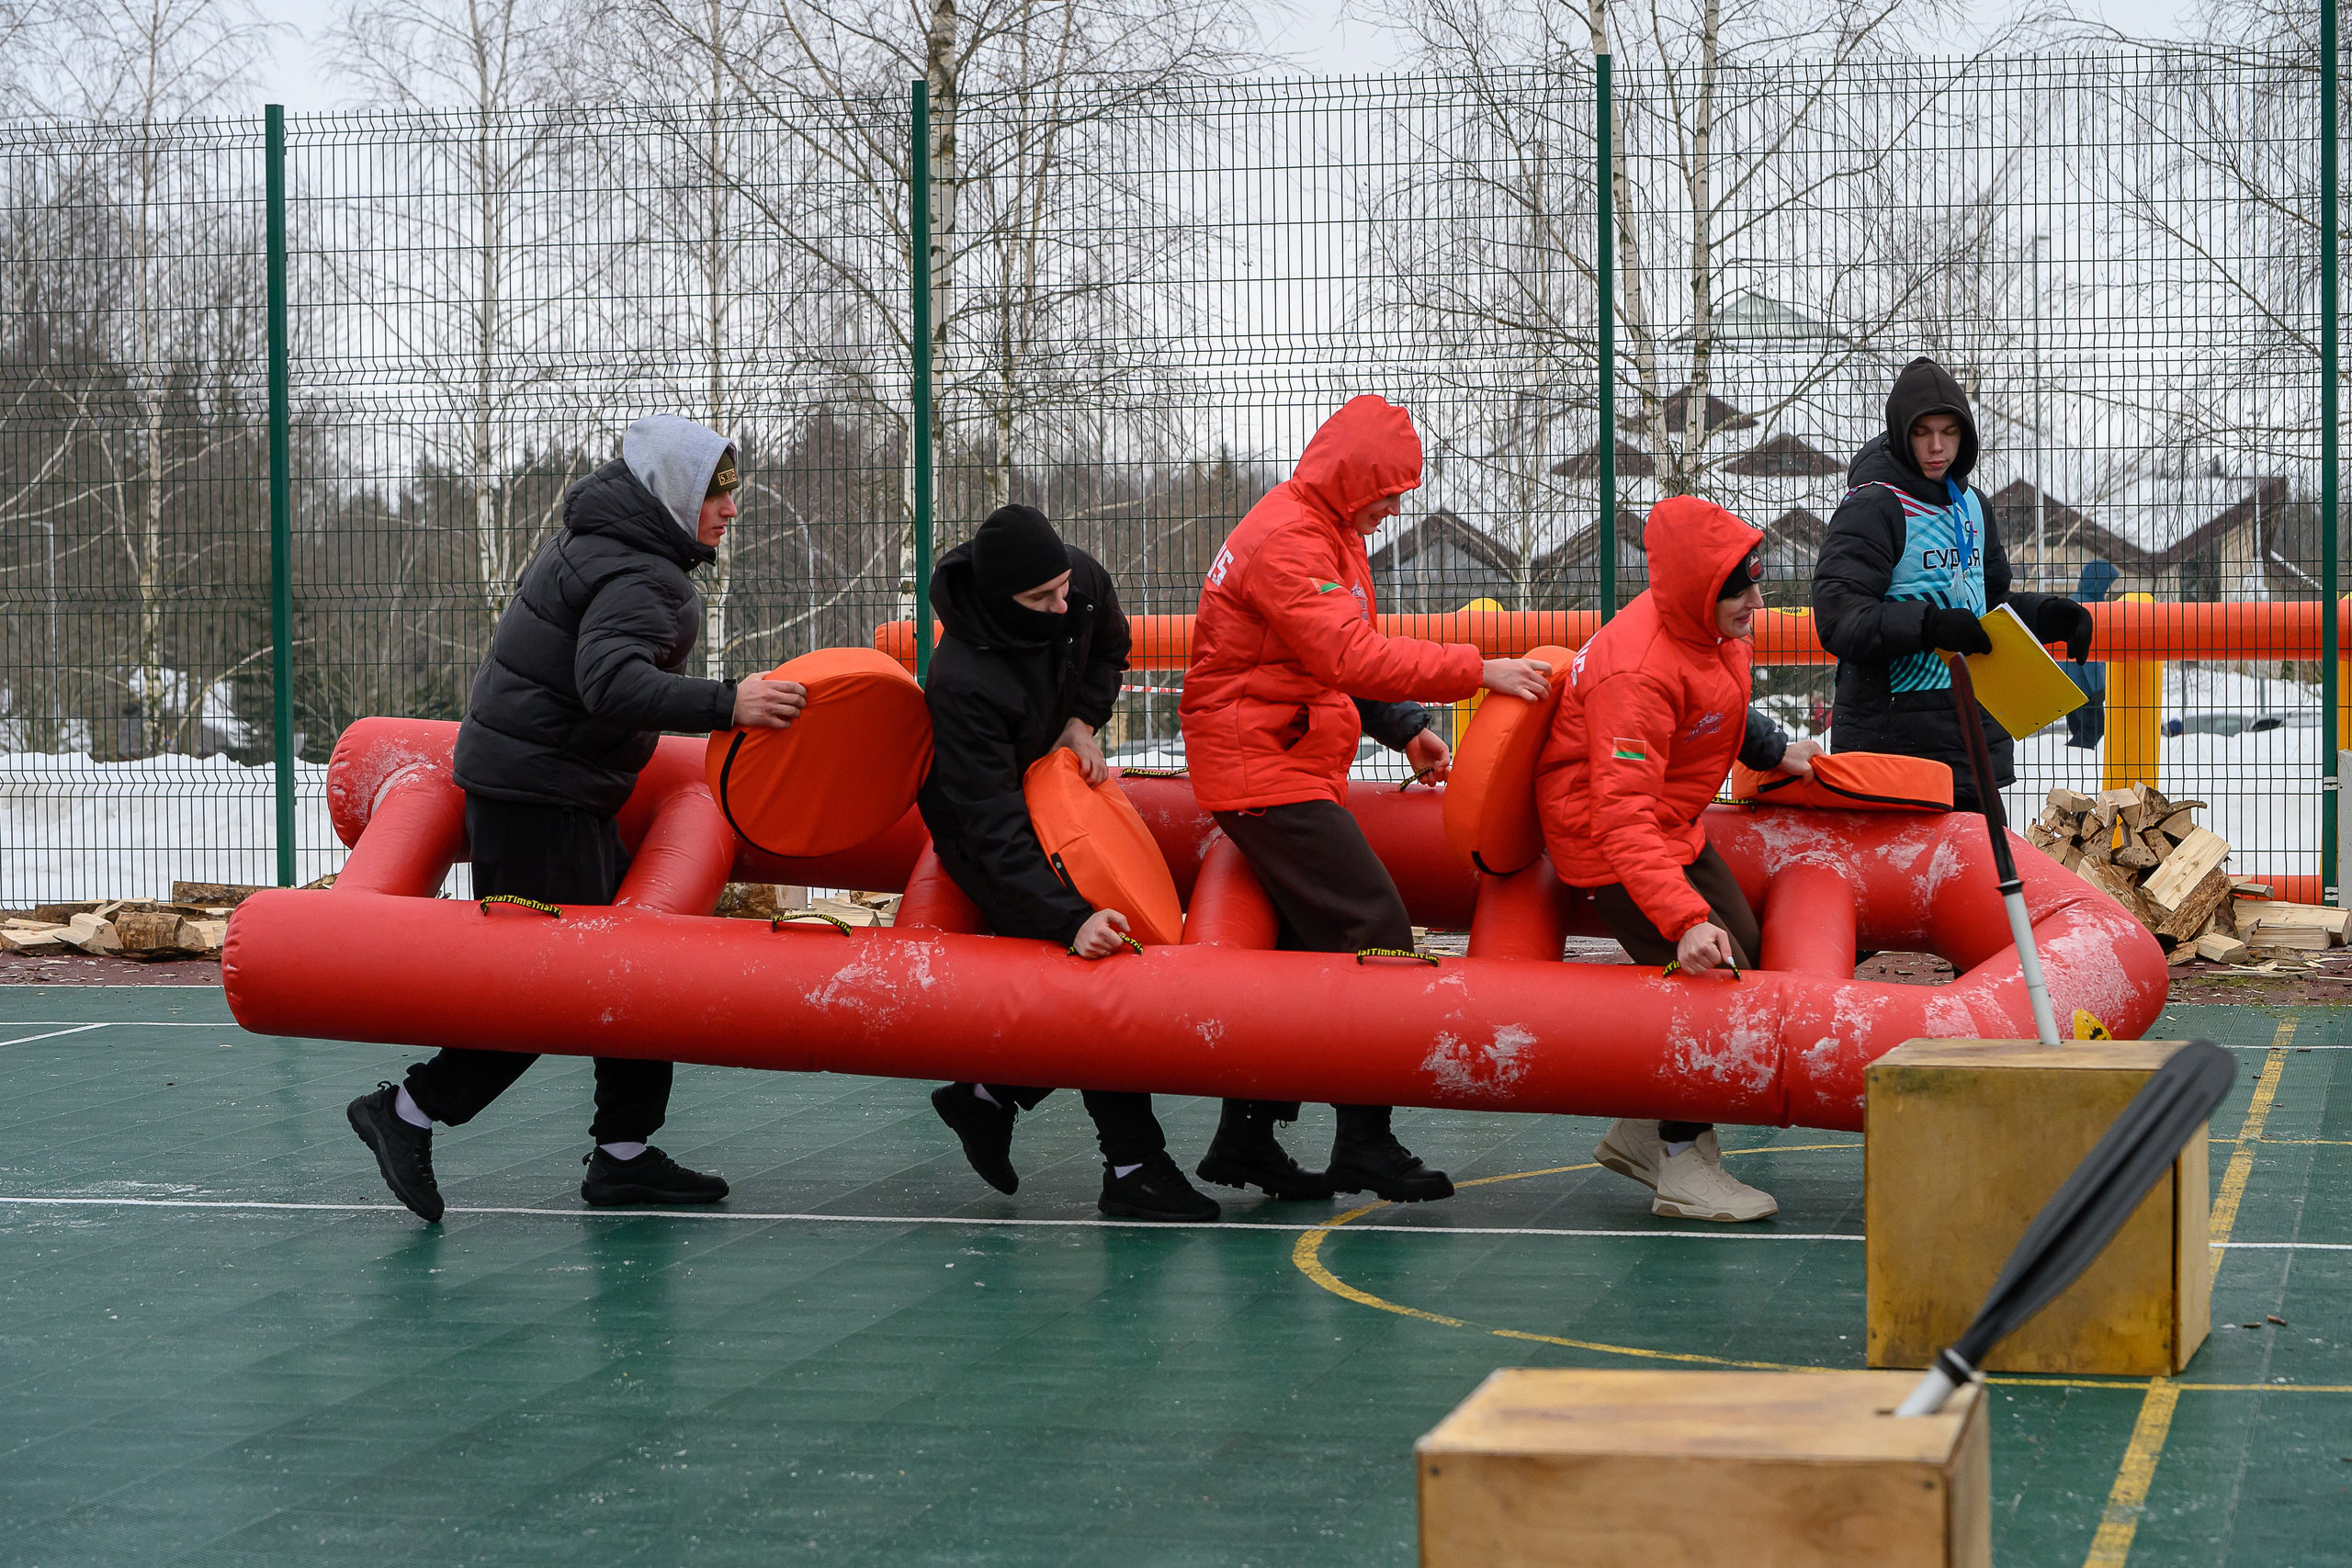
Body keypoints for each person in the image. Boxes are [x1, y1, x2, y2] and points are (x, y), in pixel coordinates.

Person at [345, 416, 806, 1223]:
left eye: (732, 492)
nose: (730, 510)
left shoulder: (605, 538)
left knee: (628, 969)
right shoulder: (641, 573)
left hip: (549, 786)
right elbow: (610, 684)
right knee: (547, 990)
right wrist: (730, 702)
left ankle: (625, 1154)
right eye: (715, 492)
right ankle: (409, 1110)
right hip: (540, 798)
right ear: (671, 494)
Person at [1180, 394, 1552, 1203]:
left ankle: (1245, 1136)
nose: (1391, 510)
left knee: (1299, 954)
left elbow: (1321, 658)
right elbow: (1347, 652)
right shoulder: (1291, 539)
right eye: (1387, 494)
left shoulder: (1325, 531)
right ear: (1354, 481)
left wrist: (1407, 728)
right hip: (1260, 772)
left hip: (1279, 761)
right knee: (1376, 931)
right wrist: (1476, 672)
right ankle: (1365, 1143)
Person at [921, 504, 1221, 1223]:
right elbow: (990, 829)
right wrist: (1069, 916)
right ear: (1002, 603)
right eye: (1043, 600)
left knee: (1086, 978)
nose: (1064, 605)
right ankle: (1134, 1164)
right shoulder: (963, 682)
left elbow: (1111, 645)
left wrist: (1080, 721)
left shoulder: (1075, 579)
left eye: (1064, 589)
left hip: (1059, 799)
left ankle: (989, 1094)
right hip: (989, 826)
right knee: (1095, 972)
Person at [1536, 496, 1824, 1223]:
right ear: (1701, 592)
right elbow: (1620, 815)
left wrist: (1774, 749)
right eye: (1741, 589)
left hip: (1670, 823)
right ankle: (1679, 1162)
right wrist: (1684, 920)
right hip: (1607, 840)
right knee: (1716, 977)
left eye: (1757, 581)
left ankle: (1642, 1126)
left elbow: (1717, 705)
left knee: (1749, 950)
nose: (1757, 600)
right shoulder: (1634, 670)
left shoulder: (1710, 628)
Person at [1812, 356, 2094, 811]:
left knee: (1987, 880)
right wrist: (1928, 625)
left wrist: (2047, 615)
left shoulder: (1973, 506)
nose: (1937, 447)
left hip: (1969, 741)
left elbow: (1988, 605)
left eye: (1950, 432)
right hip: (1893, 750)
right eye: (1922, 433)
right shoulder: (1874, 506)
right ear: (1901, 434)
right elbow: (1839, 614)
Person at [2061, 558, 2117, 750]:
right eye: (2107, 585)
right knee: (2093, 730)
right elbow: (2091, 653)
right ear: (2098, 582)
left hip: (2069, 681)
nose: (2108, 591)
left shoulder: (2074, 601)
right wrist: (2099, 686)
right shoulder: (2090, 608)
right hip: (2084, 684)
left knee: (2081, 729)